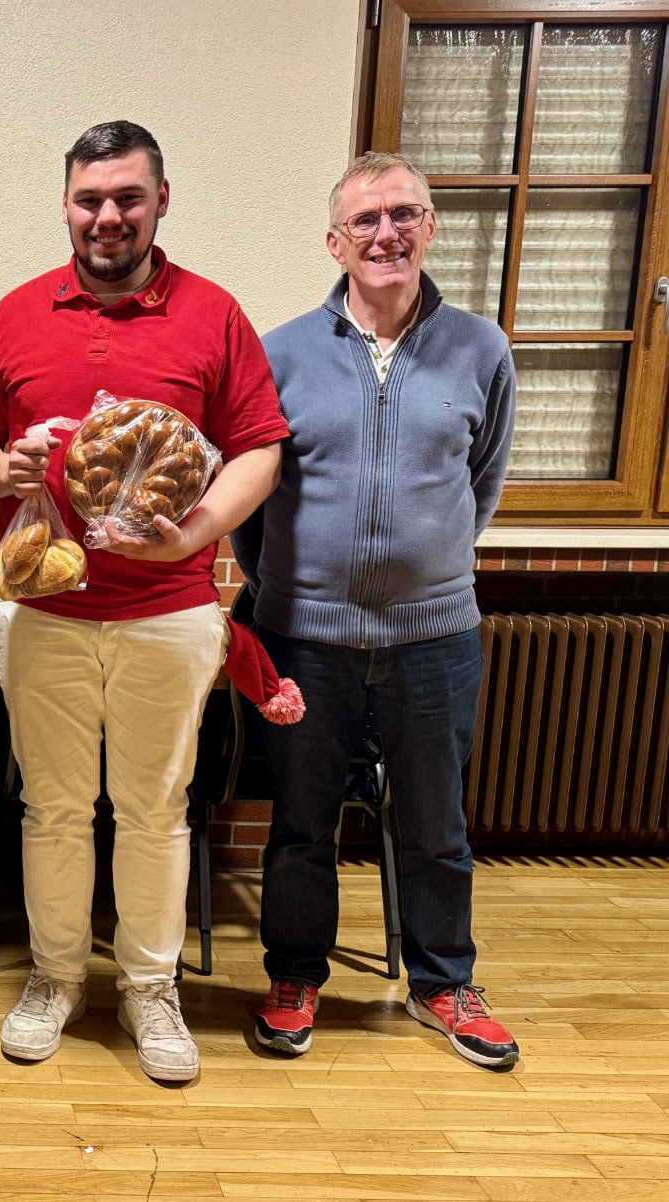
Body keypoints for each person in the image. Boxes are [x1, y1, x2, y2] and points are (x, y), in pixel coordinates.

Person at [0, 120, 288, 1081]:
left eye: (127, 198)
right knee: (53, 810)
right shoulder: (16, 314)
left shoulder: (213, 314)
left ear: (160, 202)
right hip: (44, 610)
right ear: (66, 203)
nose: (107, 217)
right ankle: (56, 978)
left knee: (156, 811)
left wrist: (192, 534)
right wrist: (5, 464)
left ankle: (151, 990)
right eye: (90, 199)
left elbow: (260, 446)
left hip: (171, 610)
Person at [235, 151, 519, 1068]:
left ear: (430, 226)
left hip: (434, 639)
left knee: (436, 824)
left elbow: (481, 486)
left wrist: (417, 571)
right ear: (335, 241)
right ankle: (294, 974)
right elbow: (253, 503)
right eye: (366, 220)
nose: (387, 233)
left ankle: (445, 981)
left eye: (405, 214)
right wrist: (290, 588)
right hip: (303, 641)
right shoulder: (278, 352)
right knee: (300, 822)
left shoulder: (482, 349)